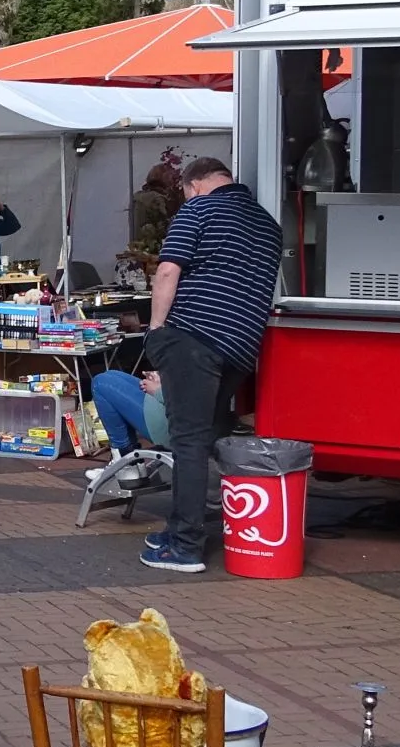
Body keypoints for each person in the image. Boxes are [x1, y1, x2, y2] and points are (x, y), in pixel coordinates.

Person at [141, 156, 281, 573]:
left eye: (184, 192)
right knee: (209, 434)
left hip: (194, 337)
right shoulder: (268, 225)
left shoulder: (199, 209)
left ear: (195, 184)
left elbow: (168, 272)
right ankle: (190, 525)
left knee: (188, 441)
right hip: (240, 345)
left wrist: (156, 331)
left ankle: (185, 546)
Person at [90, 370, 167, 457]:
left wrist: (158, 390)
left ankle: (124, 456)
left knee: (100, 383)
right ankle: (130, 456)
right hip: (164, 402)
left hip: (172, 424)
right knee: (111, 374)